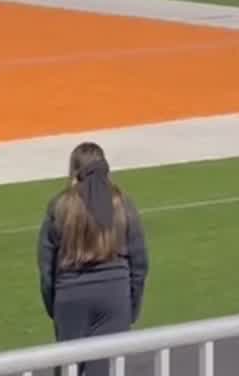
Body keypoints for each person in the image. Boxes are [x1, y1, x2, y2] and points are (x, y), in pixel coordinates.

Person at [37, 142, 149, 374]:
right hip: (114, 295)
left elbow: (46, 265)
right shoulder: (123, 203)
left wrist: (55, 308)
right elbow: (139, 263)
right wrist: (131, 307)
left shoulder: (60, 206)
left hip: (70, 296)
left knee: (68, 369)